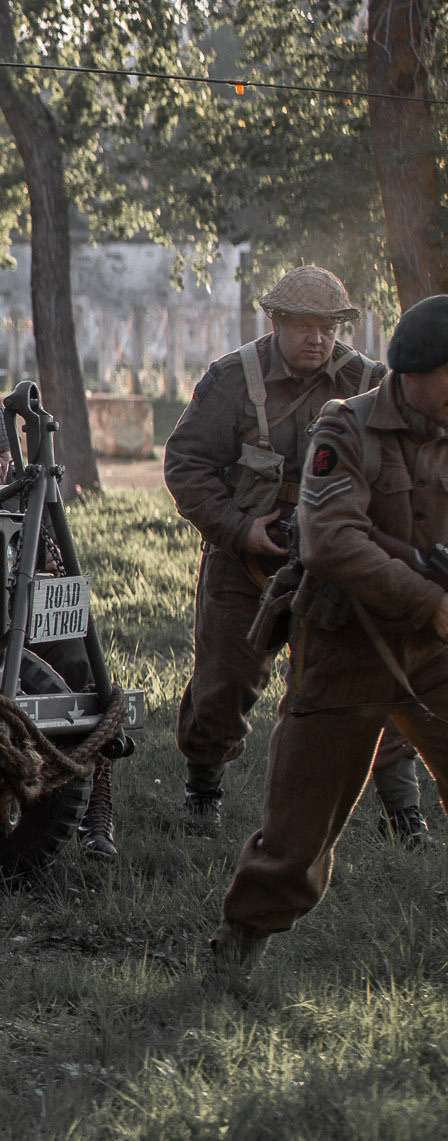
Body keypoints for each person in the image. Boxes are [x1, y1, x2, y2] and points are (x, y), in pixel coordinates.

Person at [213, 294, 448, 973]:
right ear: (415, 370)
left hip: (434, 653)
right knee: (296, 832)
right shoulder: (346, 427)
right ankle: (237, 948)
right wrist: (428, 599)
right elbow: (329, 539)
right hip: (346, 646)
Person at [161, 266, 425, 841]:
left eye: (328, 327)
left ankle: (404, 814)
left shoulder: (370, 382)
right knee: (222, 685)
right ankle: (202, 790)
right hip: (247, 562)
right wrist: (238, 529)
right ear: (275, 321)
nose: (317, 339)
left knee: (377, 679)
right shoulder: (232, 380)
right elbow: (186, 464)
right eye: (304, 325)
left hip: (339, 566)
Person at [0, 390, 119, 859]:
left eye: (3, 450)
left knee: (83, 667)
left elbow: (55, 573)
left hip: (23, 629)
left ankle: (96, 806)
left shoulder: (27, 497)